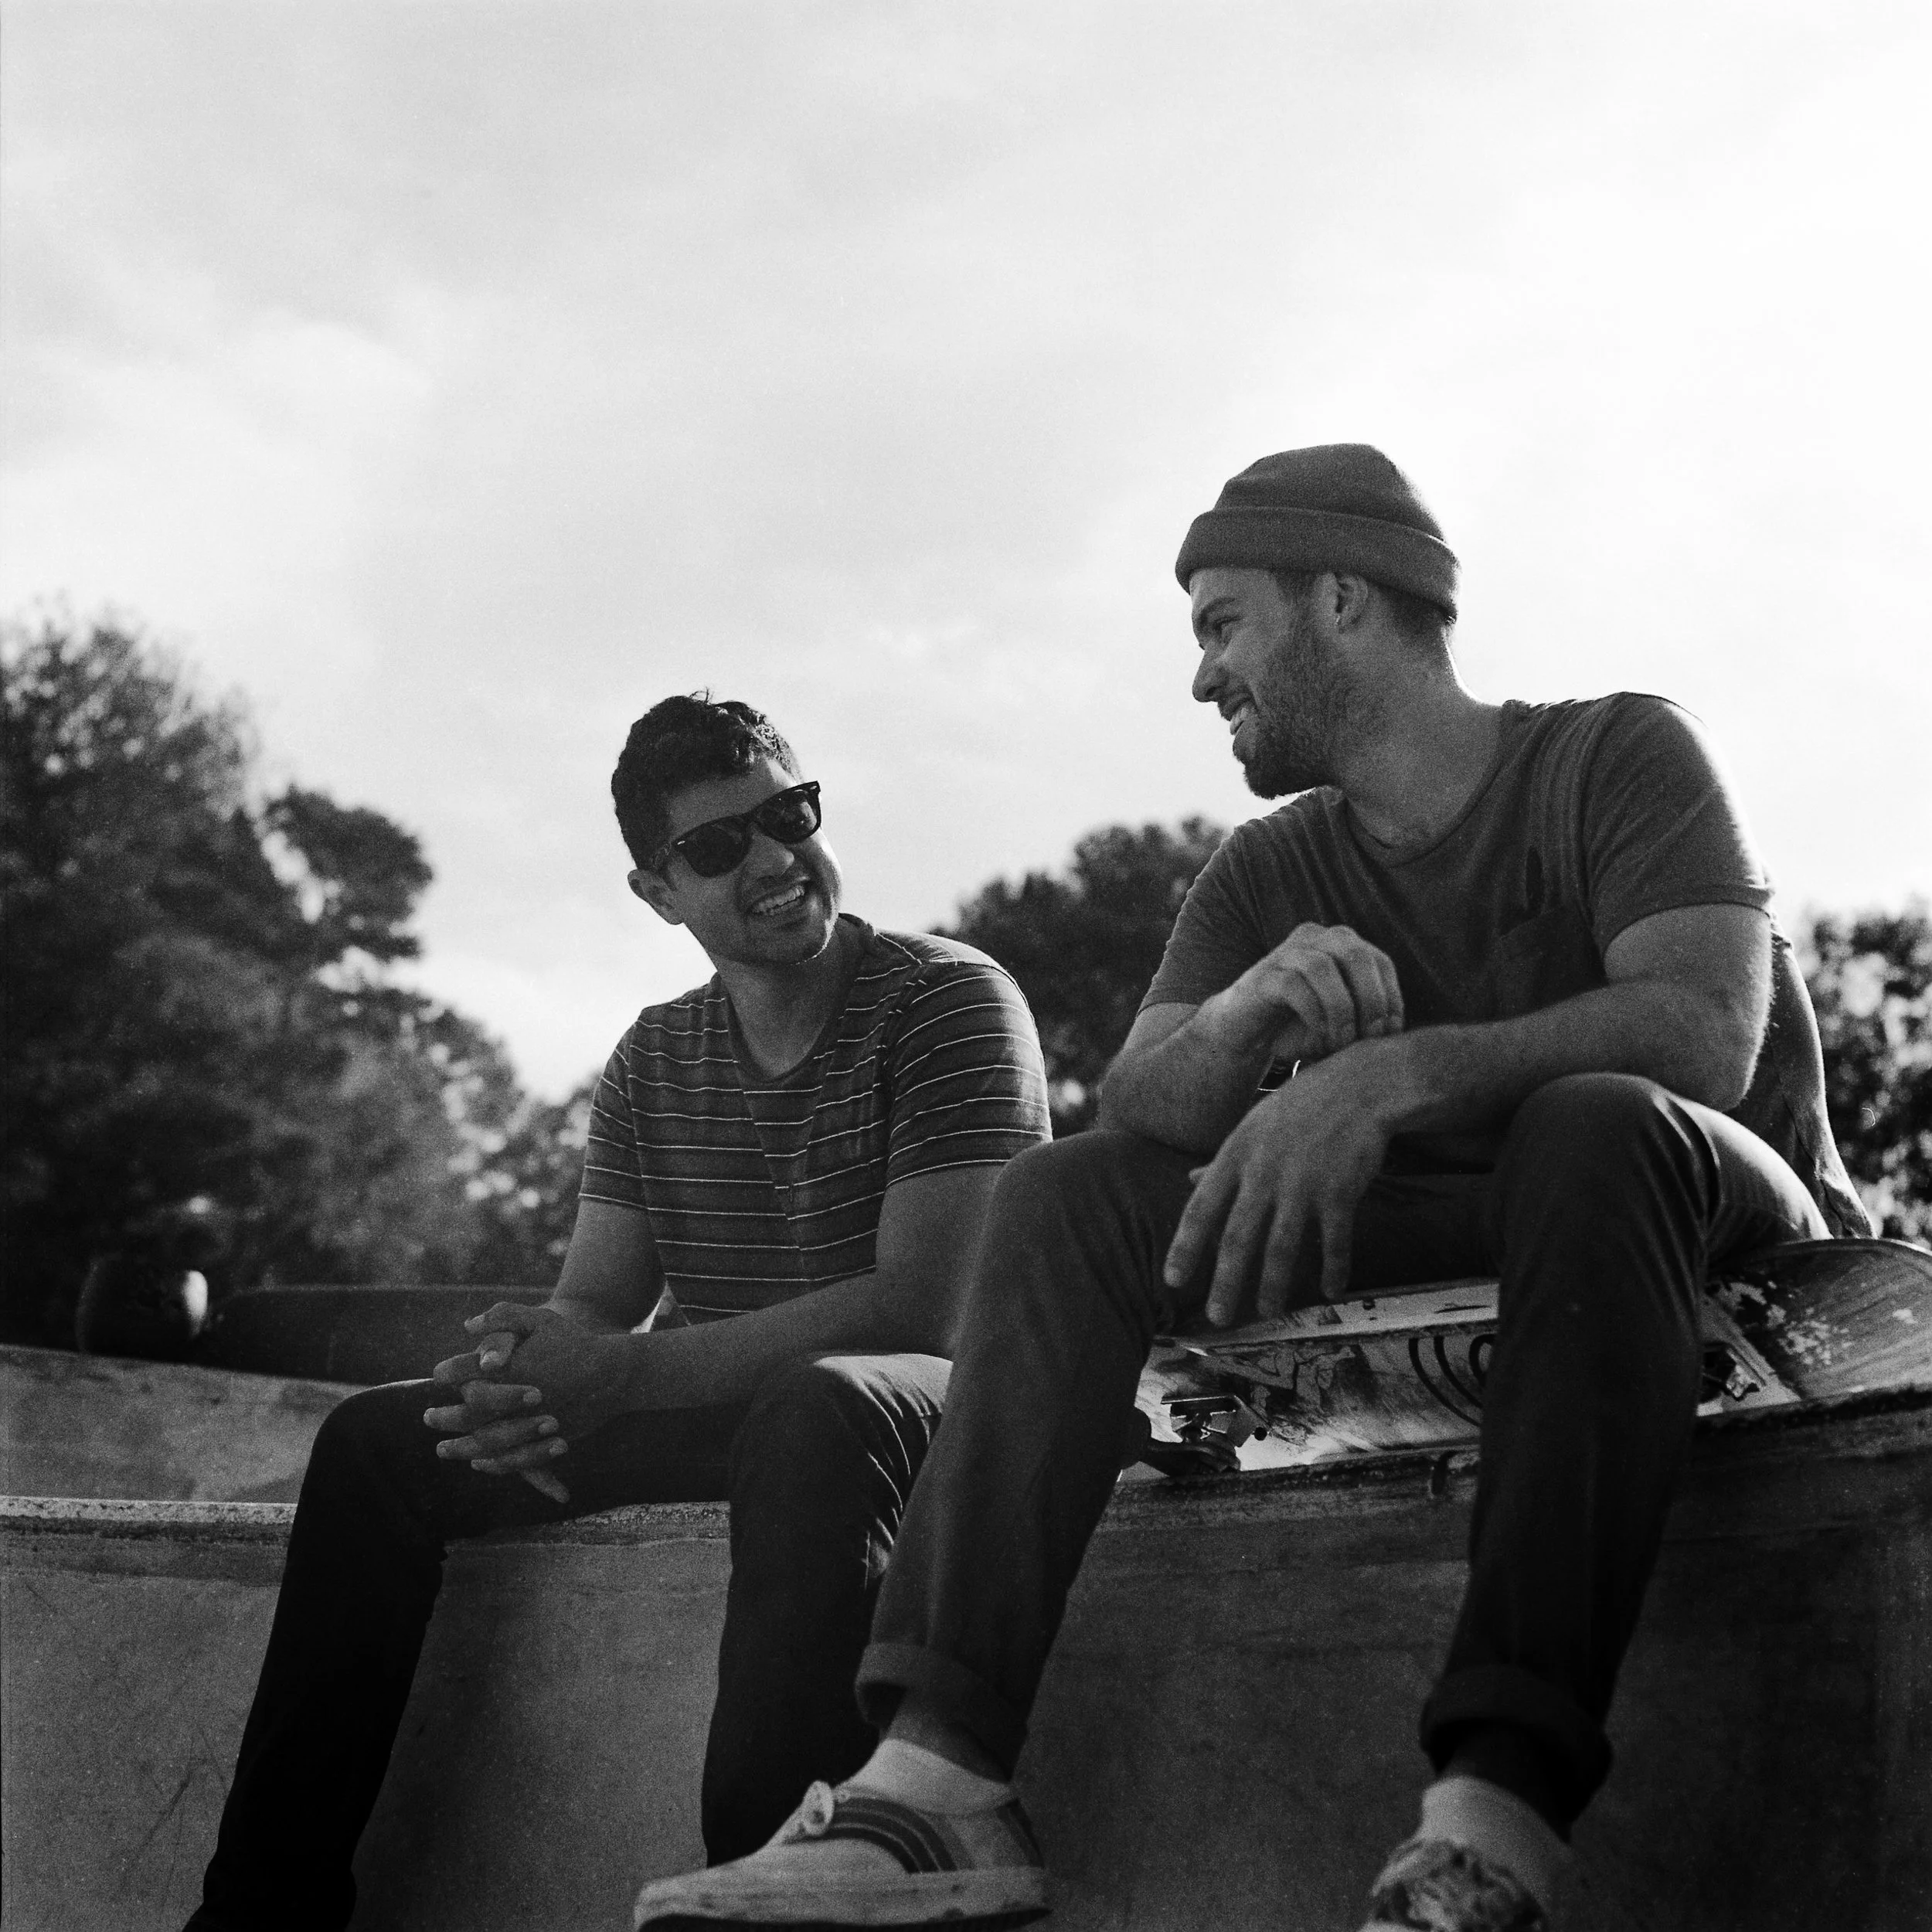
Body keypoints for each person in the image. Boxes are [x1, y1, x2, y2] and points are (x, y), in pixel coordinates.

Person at [634, 447, 1870, 1932]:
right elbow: (1142, 1099)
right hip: (1457, 1249)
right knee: (1070, 1194)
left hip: (1714, 1242)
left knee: (1593, 1122)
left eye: (1224, 624)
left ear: (1343, 598)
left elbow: (1705, 1033)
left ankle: (1490, 1826)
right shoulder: (1270, 865)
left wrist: (1386, 1079)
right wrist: (1247, 1018)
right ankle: (938, 1790)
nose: (1203, 676)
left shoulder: (1616, 755)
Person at [184, 693, 1050, 1932]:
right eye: (719, 846)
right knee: (378, 1444)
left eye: (789, 816)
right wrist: (526, 1381)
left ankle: (770, 1888)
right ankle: (259, 1914)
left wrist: (625, 1377)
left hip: (934, 1414)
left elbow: (930, 1310)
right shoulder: (653, 1056)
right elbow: (596, 1302)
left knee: (815, 1411)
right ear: (658, 892)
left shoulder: (950, 1001)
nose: (772, 859)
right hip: (744, 1413)